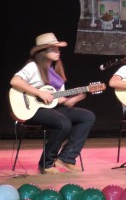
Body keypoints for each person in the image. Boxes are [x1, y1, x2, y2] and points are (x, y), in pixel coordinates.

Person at [10, 33, 96, 174]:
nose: (58, 52)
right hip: (31, 110)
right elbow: (15, 81)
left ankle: (67, 158)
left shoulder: (55, 73)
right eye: (54, 49)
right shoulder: (33, 67)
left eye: (58, 49)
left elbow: (58, 100)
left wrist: (75, 98)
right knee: (63, 123)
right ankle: (46, 163)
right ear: (42, 52)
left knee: (87, 116)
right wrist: (39, 93)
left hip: (50, 109)